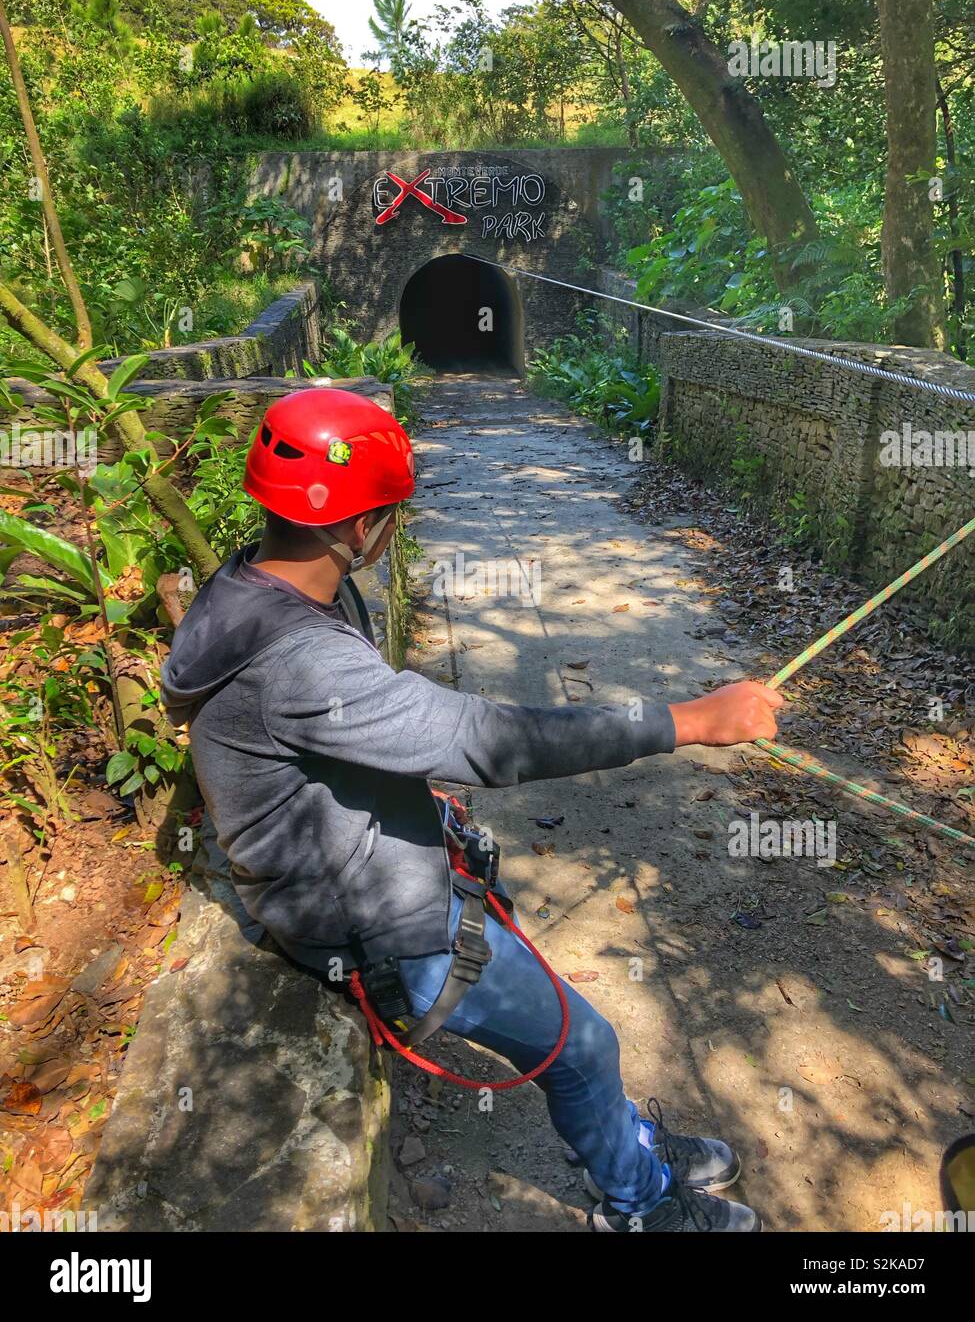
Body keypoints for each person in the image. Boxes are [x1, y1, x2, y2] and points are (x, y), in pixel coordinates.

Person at [161, 386, 783, 1233]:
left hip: (359, 873)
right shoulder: (299, 656)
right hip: (374, 930)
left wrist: (405, 782)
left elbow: (345, 736)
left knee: (560, 1017)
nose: (390, 529)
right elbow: (487, 738)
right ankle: (636, 1205)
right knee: (585, 1042)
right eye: (387, 513)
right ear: (355, 528)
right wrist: (687, 722)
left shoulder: (256, 584)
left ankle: (626, 1143)